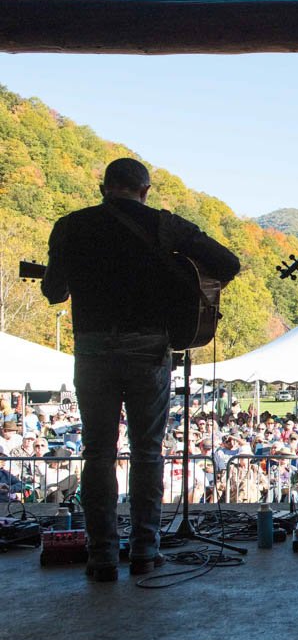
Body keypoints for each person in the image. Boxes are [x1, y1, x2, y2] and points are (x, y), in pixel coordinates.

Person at [40, 158, 239, 582]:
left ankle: (101, 556)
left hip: (92, 349)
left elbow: (54, 291)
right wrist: (184, 284)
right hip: (149, 348)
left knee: (97, 453)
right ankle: (146, 550)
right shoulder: (164, 226)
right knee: (148, 451)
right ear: (145, 190)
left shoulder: (70, 225)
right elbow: (227, 264)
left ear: (103, 187)